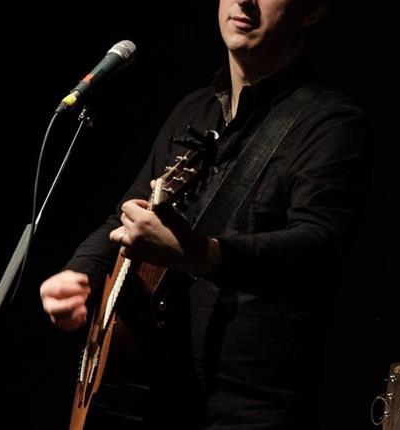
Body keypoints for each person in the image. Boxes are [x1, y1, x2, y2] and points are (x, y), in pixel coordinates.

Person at [40, 0, 370, 428]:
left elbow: (319, 248)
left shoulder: (332, 124)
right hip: (159, 394)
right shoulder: (192, 111)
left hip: (249, 407)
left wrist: (203, 254)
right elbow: (126, 214)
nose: (244, 0)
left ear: (311, 11)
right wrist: (80, 272)